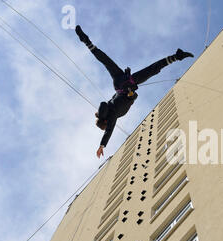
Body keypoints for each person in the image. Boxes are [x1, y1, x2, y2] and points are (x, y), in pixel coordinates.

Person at [75, 25, 194, 158]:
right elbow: (114, 118)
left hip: (123, 85)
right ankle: (177, 56)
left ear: (105, 122)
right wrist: (130, 93)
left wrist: (102, 145)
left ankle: (86, 41)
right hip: (125, 82)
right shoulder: (114, 114)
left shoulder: (112, 116)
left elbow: (109, 130)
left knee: (148, 69)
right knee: (145, 68)